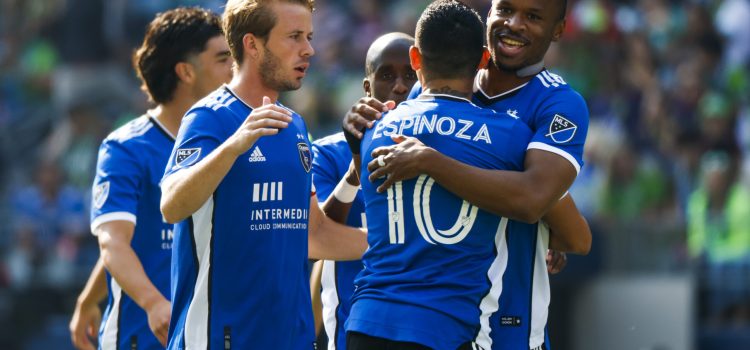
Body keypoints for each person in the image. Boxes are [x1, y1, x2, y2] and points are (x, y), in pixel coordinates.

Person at [344, 0, 589, 348]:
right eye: (504, 9)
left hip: (512, 324)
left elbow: (553, 215)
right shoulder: (429, 92)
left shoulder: (559, 104)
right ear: (488, 14)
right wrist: (357, 137)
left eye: (533, 17)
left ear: (558, 29)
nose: (515, 24)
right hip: (447, 322)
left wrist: (431, 160)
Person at [158, 1, 367, 348]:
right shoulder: (210, 117)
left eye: (310, 37)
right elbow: (171, 204)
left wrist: (401, 241)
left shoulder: (295, 125)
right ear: (252, 44)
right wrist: (235, 145)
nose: (309, 49)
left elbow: (314, 233)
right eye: (294, 37)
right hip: (220, 339)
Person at [68, 7, 233, 350]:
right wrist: (152, 302)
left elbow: (126, 244)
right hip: (142, 338)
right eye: (222, 58)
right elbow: (114, 242)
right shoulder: (126, 147)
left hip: (212, 336)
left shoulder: (231, 143)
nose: (234, 69)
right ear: (186, 72)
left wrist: (88, 301)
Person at [312, 32, 417, 350]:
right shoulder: (327, 153)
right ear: (367, 88)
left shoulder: (442, 149)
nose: (400, 86)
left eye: (410, 75)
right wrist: (355, 172)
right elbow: (318, 238)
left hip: (429, 331)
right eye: (387, 75)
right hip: (353, 336)